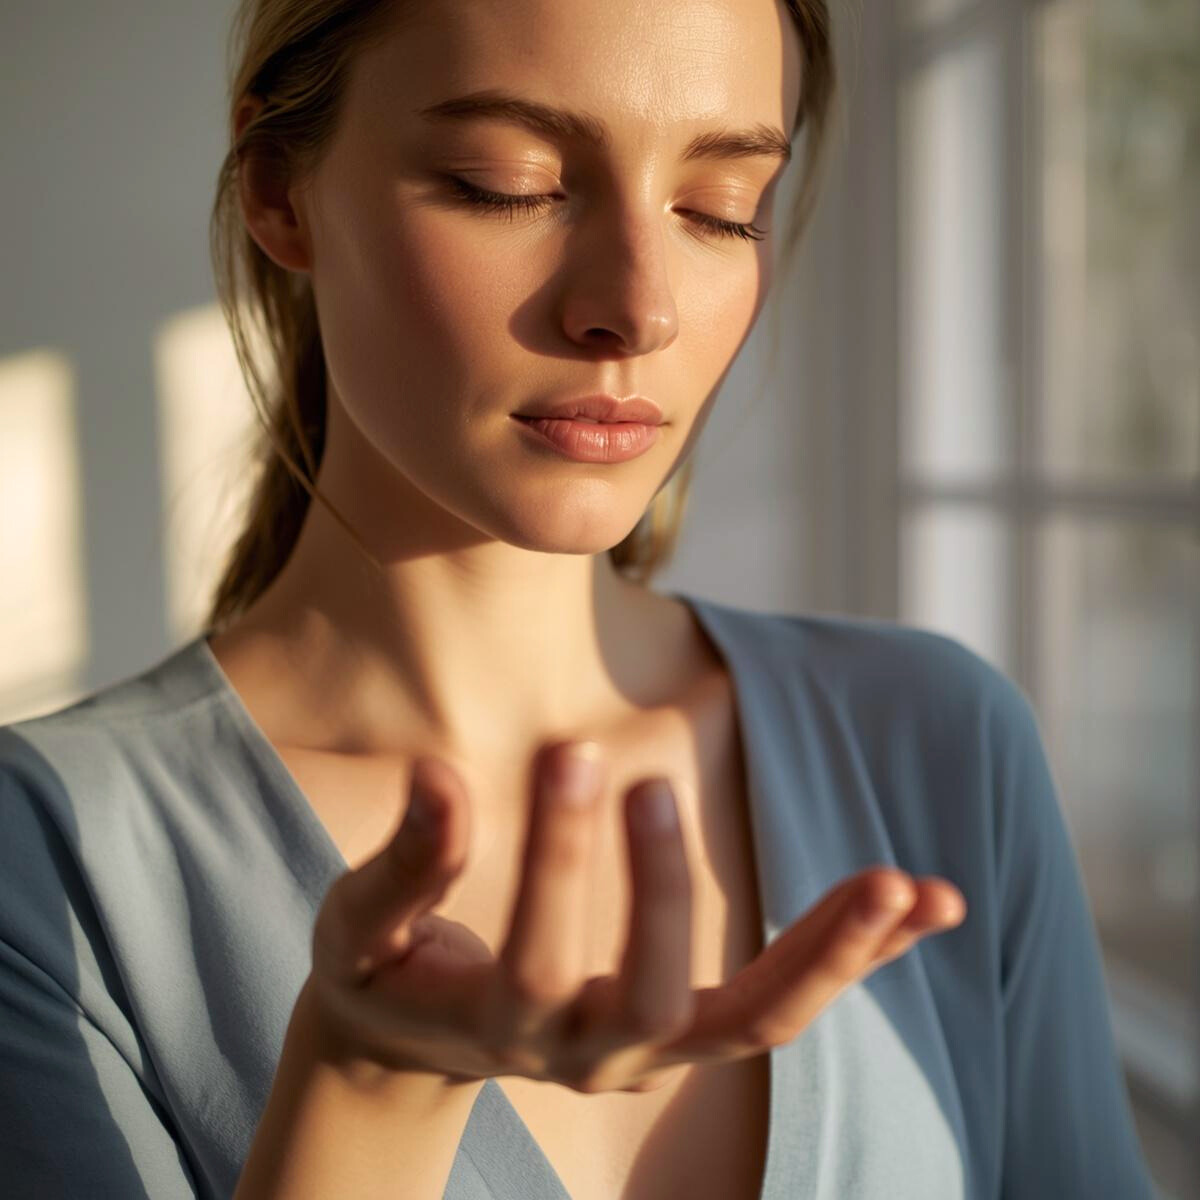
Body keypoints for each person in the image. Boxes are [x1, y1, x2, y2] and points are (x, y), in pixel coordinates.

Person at [0, 1, 1158, 1198]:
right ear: (280, 189)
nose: (639, 308)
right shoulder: (42, 869)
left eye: (721, 207)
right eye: (508, 182)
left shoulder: (936, 744)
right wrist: (367, 1085)